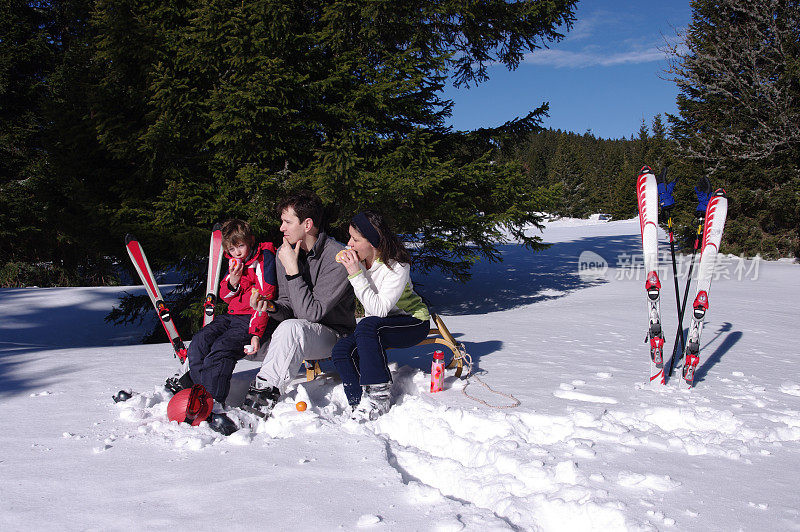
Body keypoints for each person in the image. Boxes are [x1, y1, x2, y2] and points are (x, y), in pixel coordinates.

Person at [242, 191, 356, 418]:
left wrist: (293, 271)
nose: (281, 228)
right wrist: (270, 306)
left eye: (287, 222)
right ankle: (204, 392)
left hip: (335, 335)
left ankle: (261, 400)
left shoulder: (337, 257)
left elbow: (310, 314)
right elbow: (288, 306)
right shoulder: (285, 253)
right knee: (237, 327)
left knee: (291, 328)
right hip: (301, 330)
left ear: (307, 224)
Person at [331, 211, 430, 421]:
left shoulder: (397, 265)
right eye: (350, 237)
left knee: (367, 325)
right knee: (342, 350)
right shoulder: (362, 261)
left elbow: (379, 311)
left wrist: (355, 274)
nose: (349, 244)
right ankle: (359, 402)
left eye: (355, 239)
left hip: (412, 321)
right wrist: (356, 270)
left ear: (373, 242)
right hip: (379, 326)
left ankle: (378, 396)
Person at [168, 219, 277, 404]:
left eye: (240, 246)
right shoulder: (236, 262)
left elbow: (264, 298)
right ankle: (196, 389)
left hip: (252, 318)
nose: (237, 252)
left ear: (250, 240)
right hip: (232, 315)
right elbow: (225, 296)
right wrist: (233, 281)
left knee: (222, 348)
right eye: (232, 250)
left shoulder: (261, 258)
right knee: (200, 341)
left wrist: (255, 333)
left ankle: (212, 402)